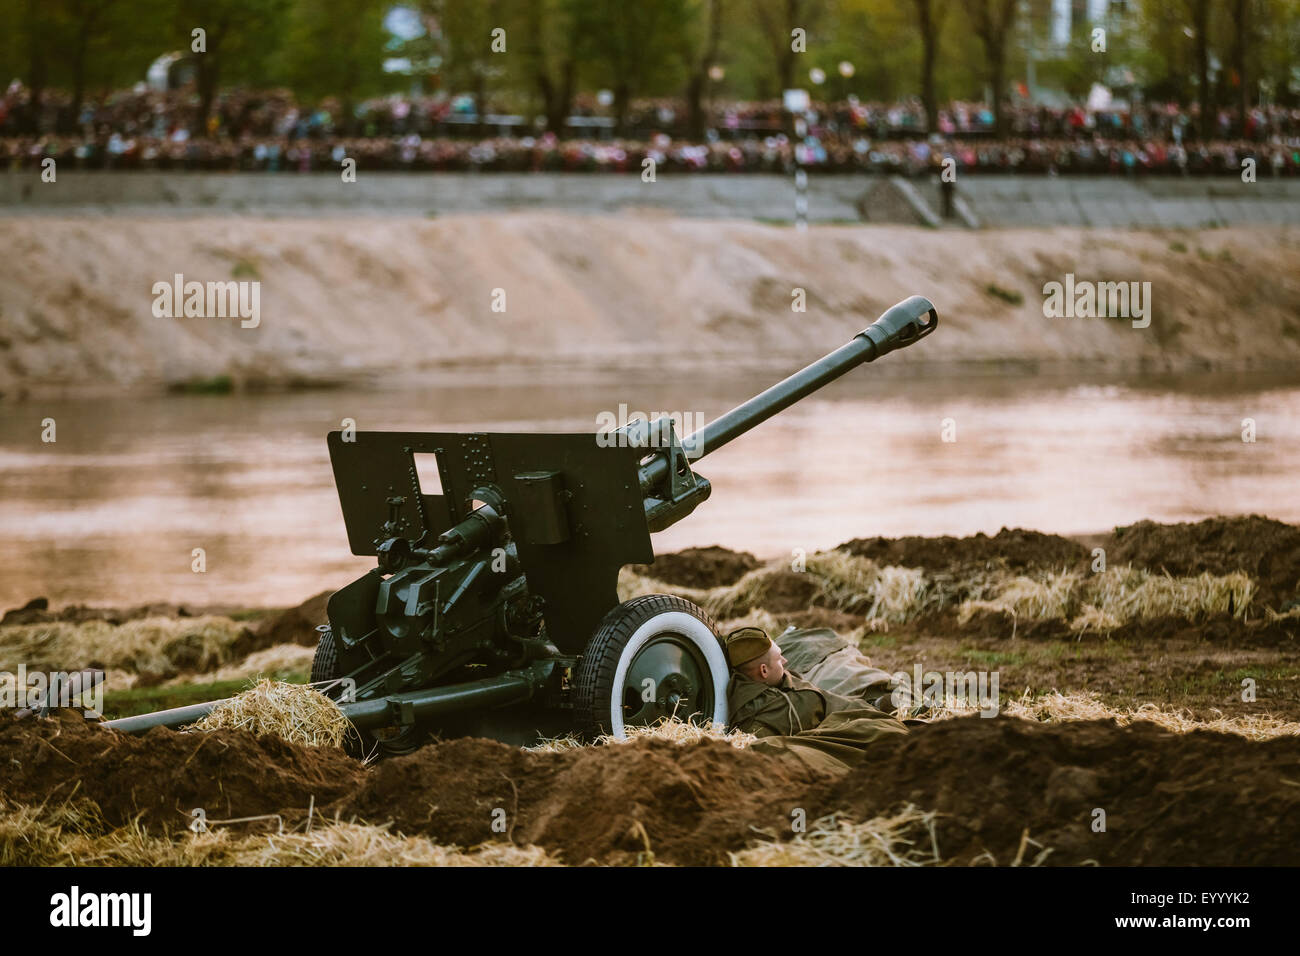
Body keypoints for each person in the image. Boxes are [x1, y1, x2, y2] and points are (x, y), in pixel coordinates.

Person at [723, 626, 909, 772]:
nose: (786, 662)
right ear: (763, 671)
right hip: (837, 728)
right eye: (779, 659)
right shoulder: (771, 712)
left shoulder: (762, 684)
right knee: (882, 733)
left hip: (846, 710)